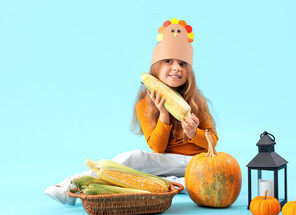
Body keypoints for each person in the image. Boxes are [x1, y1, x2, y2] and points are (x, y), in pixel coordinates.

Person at [44, 18, 218, 205]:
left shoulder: (196, 101)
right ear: (156, 69)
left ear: (189, 71)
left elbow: (213, 143)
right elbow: (158, 149)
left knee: (134, 158)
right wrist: (164, 115)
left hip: (197, 162)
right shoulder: (144, 105)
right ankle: (75, 187)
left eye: (183, 64)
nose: (176, 68)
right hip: (166, 164)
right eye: (168, 61)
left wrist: (194, 133)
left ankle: (73, 183)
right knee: (128, 171)